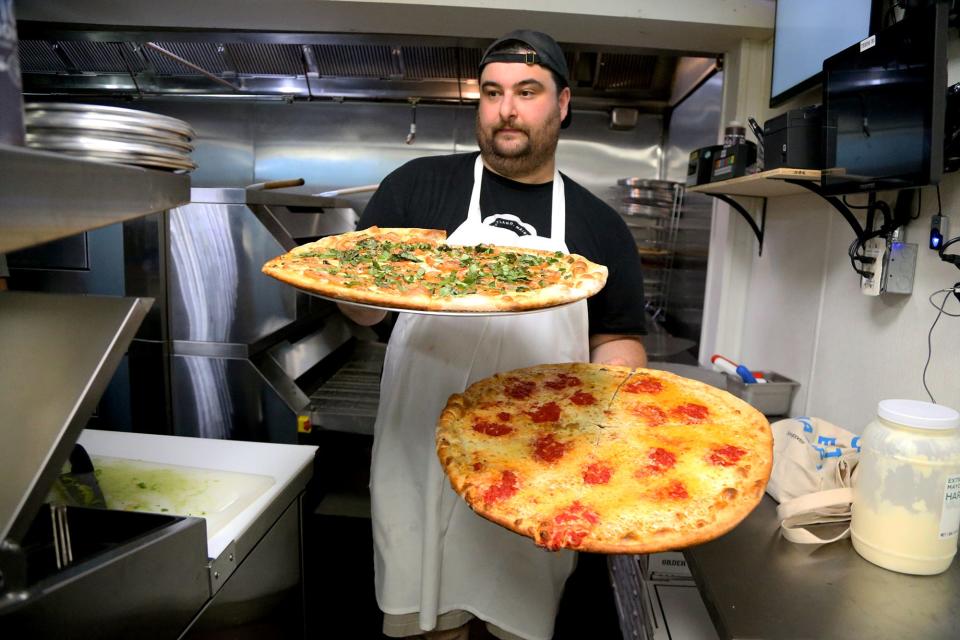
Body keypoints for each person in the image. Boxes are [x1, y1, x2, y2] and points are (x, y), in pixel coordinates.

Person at [338, 29, 648, 640]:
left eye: (527, 91)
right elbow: (369, 311)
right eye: (492, 92)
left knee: (520, 624)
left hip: (538, 465)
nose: (506, 109)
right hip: (417, 452)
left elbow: (616, 339)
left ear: (561, 105)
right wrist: (340, 289)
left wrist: (616, 425)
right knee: (427, 625)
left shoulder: (600, 226)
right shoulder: (416, 187)